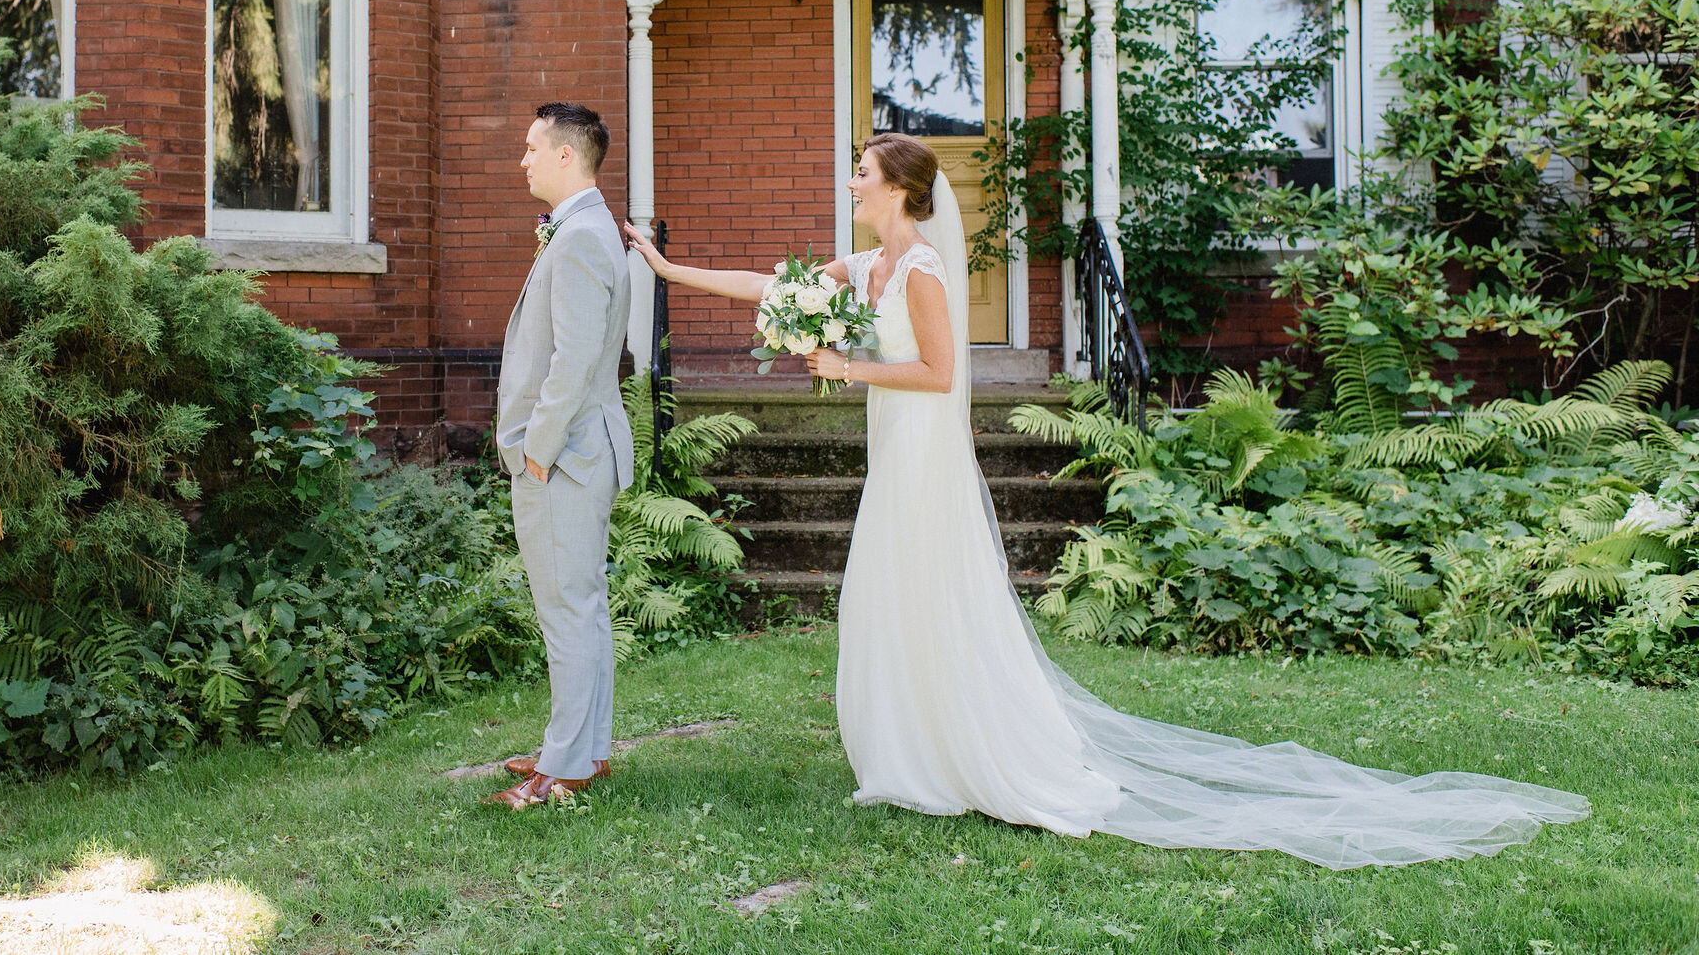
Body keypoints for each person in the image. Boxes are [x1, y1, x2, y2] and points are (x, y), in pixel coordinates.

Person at [622, 131, 1589, 868]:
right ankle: (907, 753)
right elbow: (773, 285)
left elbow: (938, 370)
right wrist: (672, 270)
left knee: (929, 588)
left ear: (902, 190)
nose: (852, 180)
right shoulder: (864, 264)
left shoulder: (918, 269)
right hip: (892, 450)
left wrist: (848, 364)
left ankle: (967, 752)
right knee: (887, 592)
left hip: (921, 451)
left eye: (864, 171)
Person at [489, 102, 634, 811]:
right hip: (583, 450)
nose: (523, 159)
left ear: (566, 156)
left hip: (565, 455)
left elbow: (573, 360)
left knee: (566, 608)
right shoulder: (586, 228)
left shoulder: (578, 237)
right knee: (585, 604)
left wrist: (534, 450)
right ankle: (586, 747)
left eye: (531, 146)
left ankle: (565, 766)